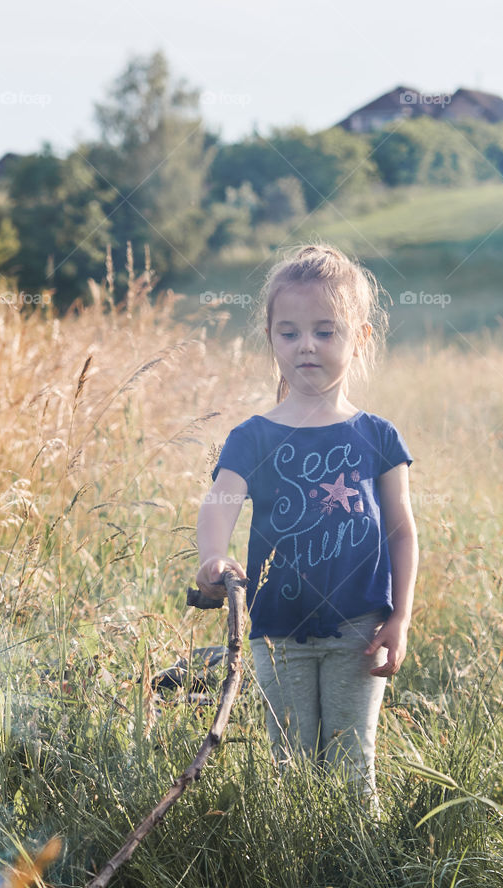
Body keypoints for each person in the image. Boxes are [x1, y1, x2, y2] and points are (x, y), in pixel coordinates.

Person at [195, 243, 418, 802]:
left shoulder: (378, 436)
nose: (307, 345)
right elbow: (221, 499)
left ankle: (356, 881)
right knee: (291, 767)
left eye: (326, 330)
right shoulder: (254, 435)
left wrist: (401, 618)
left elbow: (401, 530)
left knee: (351, 766)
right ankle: (298, 875)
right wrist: (213, 558)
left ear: (359, 338)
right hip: (277, 631)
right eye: (289, 332)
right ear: (271, 340)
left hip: (359, 629)